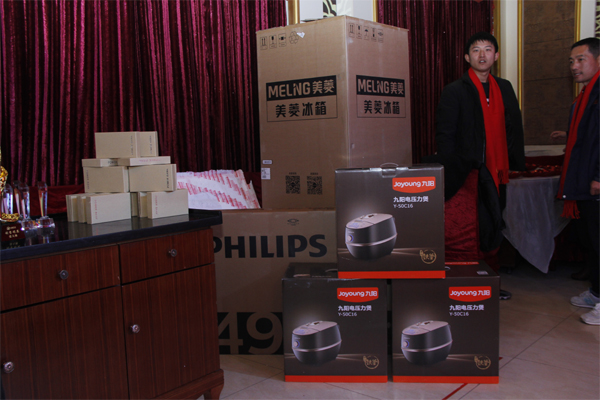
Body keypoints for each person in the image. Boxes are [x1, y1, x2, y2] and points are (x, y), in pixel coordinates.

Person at [435, 32, 526, 300]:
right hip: (469, 174)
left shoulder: (505, 87)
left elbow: (513, 128)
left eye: (488, 49)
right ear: (467, 57)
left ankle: (490, 283)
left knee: (494, 225)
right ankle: (470, 284)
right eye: (476, 50)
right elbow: (445, 135)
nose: (482, 54)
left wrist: (515, 162)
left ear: (496, 55)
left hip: (498, 172)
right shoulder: (455, 90)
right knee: (471, 230)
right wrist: (452, 171)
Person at [550, 37, 599, 325]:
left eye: (581, 59)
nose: (574, 66)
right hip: (584, 179)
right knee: (591, 240)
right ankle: (596, 292)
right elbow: (590, 135)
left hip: (595, 181)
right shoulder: (586, 95)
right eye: (571, 61)